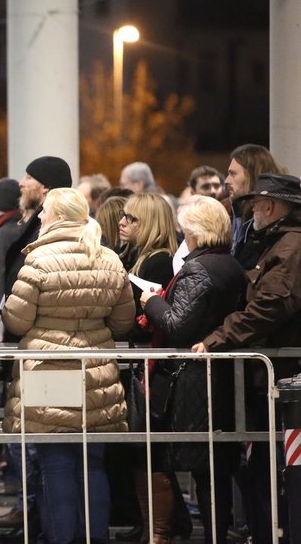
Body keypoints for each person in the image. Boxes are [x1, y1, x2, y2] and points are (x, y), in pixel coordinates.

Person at [2, 188, 135, 544]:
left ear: (59, 216)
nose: (40, 217)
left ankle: (60, 538)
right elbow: (124, 322)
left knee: (55, 464)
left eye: (44, 211)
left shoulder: (39, 259)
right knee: (92, 464)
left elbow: (16, 321)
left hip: (49, 369)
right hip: (97, 367)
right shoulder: (108, 257)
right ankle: (97, 538)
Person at [191, 173, 301, 544]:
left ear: (268, 206)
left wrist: (217, 339)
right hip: (277, 374)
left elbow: (269, 306)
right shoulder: (282, 245)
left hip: (284, 376)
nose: (253, 212)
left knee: (273, 469)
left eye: (256, 204)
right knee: (266, 467)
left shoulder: (289, 248)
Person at [136, 196, 246, 544]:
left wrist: (151, 301)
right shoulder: (229, 263)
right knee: (214, 469)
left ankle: (190, 534)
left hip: (194, 383)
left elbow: (178, 325)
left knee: (202, 467)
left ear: (195, 232)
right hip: (217, 379)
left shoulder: (198, 268)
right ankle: (216, 533)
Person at [3, 156, 73, 300]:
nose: (21, 183)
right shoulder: (37, 225)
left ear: (46, 188)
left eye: (29, 178)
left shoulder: (52, 229)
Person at [223, 144, 288, 269]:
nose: (226, 180)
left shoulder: (269, 222)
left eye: (233, 174)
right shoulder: (229, 213)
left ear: (252, 175)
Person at [118, 193, 178, 311]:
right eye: (124, 215)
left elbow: (147, 315)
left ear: (152, 224)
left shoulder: (160, 262)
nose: (122, 222)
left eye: (132, 219)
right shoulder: (132, 253)